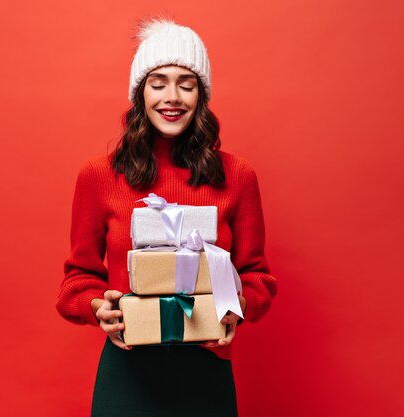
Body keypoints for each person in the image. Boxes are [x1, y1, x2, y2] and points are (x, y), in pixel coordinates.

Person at [56, 17, 277, 417]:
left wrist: (238, 304)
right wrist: (96, 305)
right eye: (158, 83)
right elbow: (76, 281)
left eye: (186, 84)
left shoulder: (238, 176)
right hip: (127, 373)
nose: (171, 97)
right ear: (139, 92)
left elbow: (257, 276)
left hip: (206, 372)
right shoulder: (99, 176)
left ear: (201, 95)